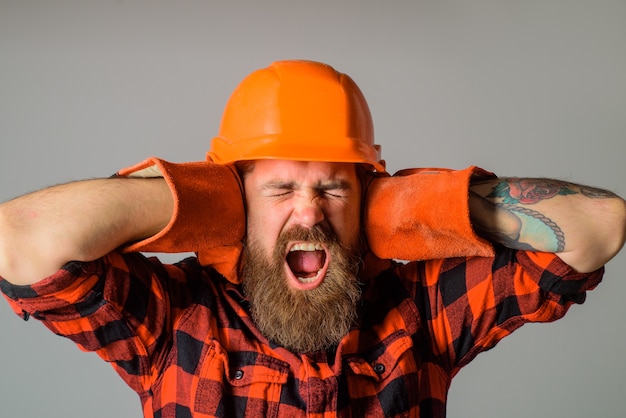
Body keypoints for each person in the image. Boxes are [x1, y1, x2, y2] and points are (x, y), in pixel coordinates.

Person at [0, 60, 624, 418]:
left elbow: (599, 227)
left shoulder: (421, 317)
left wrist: (415, 206)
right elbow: (18, 240)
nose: (310, 215)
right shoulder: (174, 322)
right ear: (233, 204)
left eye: (333, 189)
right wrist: (196, 198)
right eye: (278, 190)